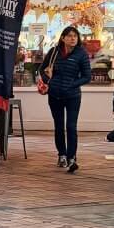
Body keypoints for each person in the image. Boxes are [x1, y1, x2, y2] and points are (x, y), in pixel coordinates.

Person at [38, 25, 92, 173]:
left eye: (75, 36)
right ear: (63, 38)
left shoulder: (81, 54)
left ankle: (72, 157)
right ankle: (61, 154)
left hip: (73, 96)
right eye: (69, 36)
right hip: (54, 95)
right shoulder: (54, 52)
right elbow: (41, 69)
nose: (73, 38)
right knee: (59, 126)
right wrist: (48, 81)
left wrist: (72, 84)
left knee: (71, 127)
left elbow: (87, 76)